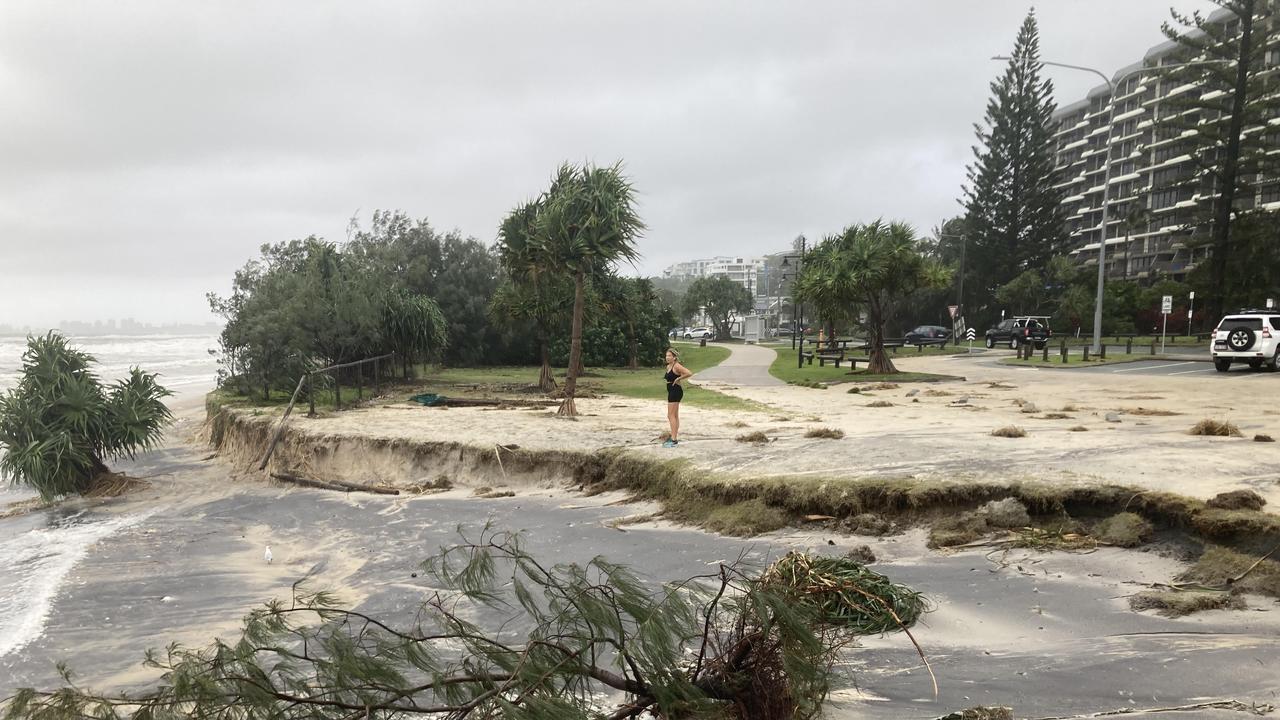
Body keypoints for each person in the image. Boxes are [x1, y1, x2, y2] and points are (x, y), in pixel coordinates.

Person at [663, 348, 693, 447]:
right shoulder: (668, 366)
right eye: (667, 355)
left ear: (674, 357)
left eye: (670, 356)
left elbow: (689, 373)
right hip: (671, 390)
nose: (667, 357)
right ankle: (674, 437)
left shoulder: (677, 366)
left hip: (675, 391)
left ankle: (674, 439)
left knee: (670, 415)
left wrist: (679, 378)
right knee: (674, 415)